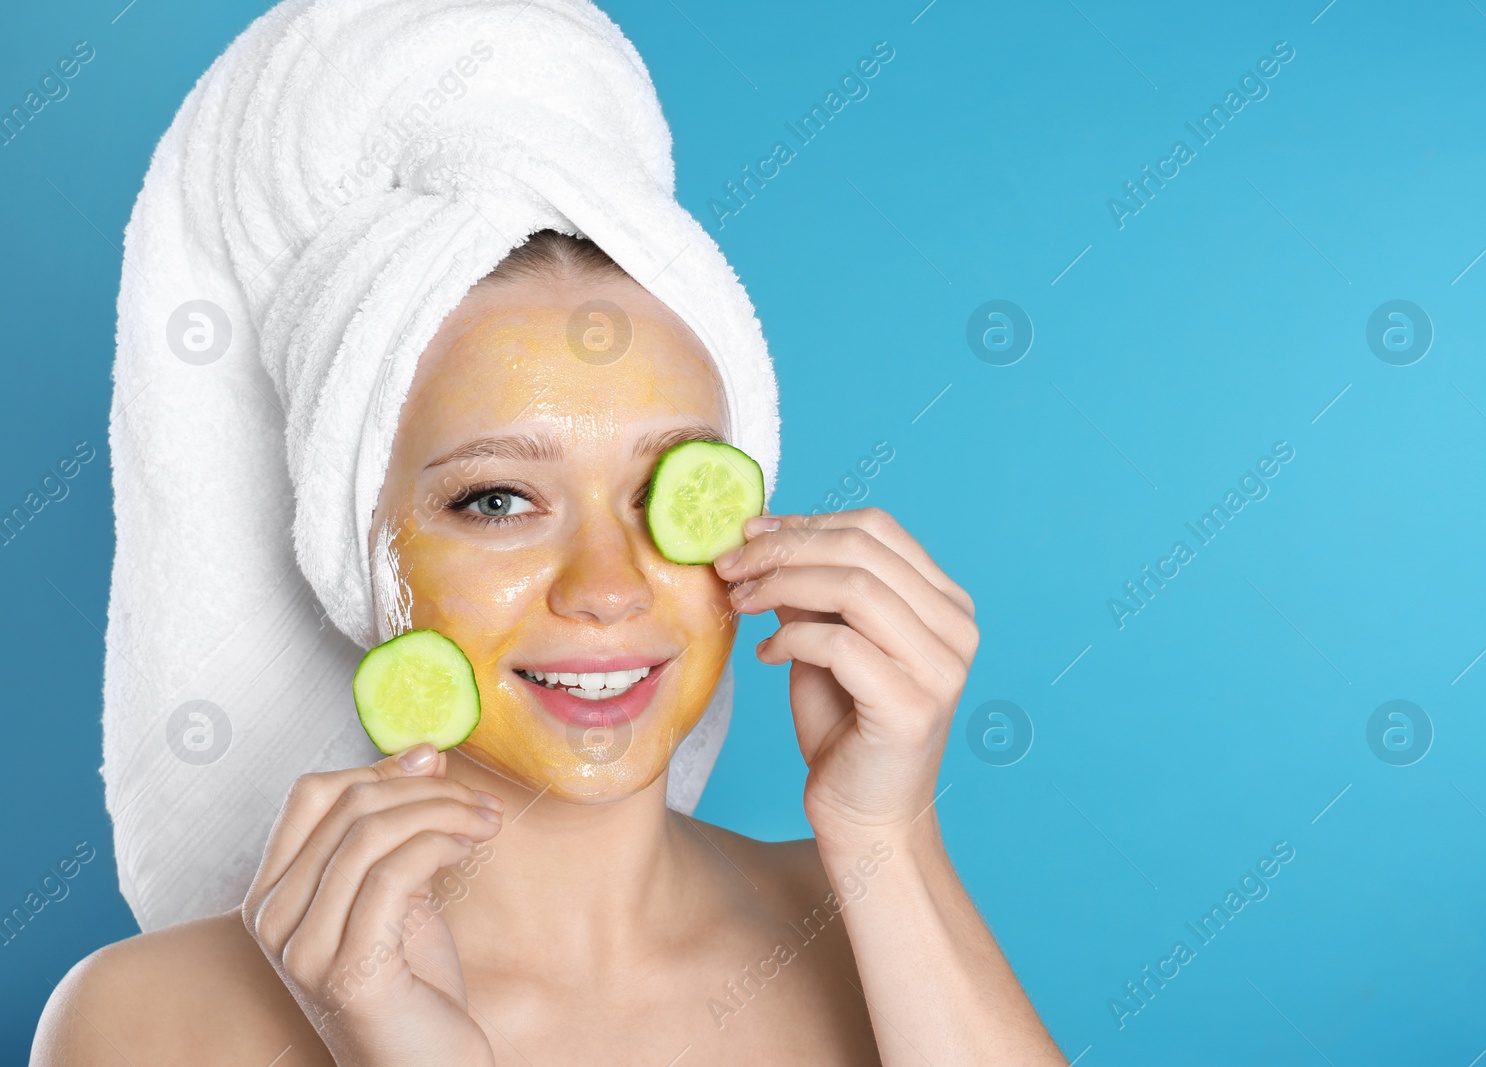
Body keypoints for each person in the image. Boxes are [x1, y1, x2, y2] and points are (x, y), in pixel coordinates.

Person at [33, 231, 1066, 1065]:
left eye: (660, 492)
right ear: (352, 552)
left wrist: (886, 831)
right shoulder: (146, 1025)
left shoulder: (878, 927)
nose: (607, 587)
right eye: (496, 500)